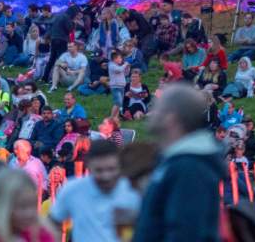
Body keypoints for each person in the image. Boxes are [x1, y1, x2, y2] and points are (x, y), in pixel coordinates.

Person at [133, 85, 223, 241]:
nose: (151, 112)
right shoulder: (176, 161)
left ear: (171, 117)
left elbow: (186, 232)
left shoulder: (189, 167)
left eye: (157, 107)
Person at [50, 140, 141, 242]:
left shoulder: (133, 192)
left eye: (111, 169)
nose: (106, 176)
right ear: (88, 165)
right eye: (99, 170)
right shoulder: (73, 189)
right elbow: (53, 223)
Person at [0, 168, 55, 241]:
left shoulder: (40, 236)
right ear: (1, 206)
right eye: (22, 207)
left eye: (32, 205)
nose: (29, 212)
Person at [42, 5, 81, 84]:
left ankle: (44, 78)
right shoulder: (67, 18)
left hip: (54, 39)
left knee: (52, 60)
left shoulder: (59, 15)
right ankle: (60, 79)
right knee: (62, 61)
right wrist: (74, 23)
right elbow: (70, 29)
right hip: (61, 40)